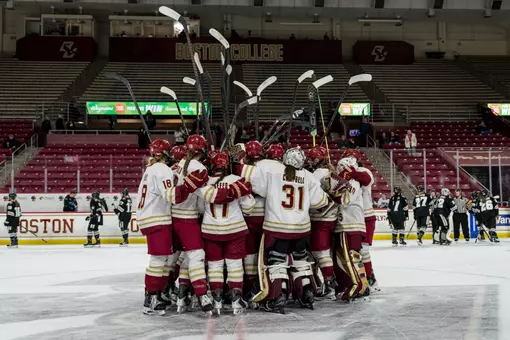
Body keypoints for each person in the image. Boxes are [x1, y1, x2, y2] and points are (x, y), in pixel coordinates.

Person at [241, 147, 329, 313]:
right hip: (302, 229)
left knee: (277, 263)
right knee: (301, 262)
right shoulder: (309, 177)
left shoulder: (272, 170)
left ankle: (278, 294)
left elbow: (248, 177)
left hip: (277, 228)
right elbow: (320, 203)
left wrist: (239, 160)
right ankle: (307, 292)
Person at [136, 139, 208, 316]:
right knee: (159, 260)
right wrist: (190, 184)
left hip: (153, 217)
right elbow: (173, 196)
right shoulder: (162, 170)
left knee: (166, 260)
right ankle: (152, 296)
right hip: (157, 218)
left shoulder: (152, 169)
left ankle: (156, 294)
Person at [195, 151, 255, 315]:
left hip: (210, 230)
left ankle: (217, 300)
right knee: (234, 265)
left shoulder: (204, 183)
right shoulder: (236, 181)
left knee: (215, 266)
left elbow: (200, 209)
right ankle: (236, 299)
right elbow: (249, 206)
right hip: (235, 229)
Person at [332, 157, 370, 301]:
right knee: (354, 256)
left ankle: (357, 285)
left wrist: (332, 193)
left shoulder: (353, 182)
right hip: (355, 224)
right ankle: (362, 284)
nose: (338, 170)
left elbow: (344, 200)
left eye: (340, 167)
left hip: (349, 224)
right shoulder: (356, 180)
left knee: (349, 258)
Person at [308, 146, 337, 298]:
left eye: (312, 158)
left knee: (320, 253)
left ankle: (329, 284)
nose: (309, 161)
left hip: (320, 218)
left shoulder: (318, 173)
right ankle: (327, 282)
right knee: (326, 253)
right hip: (332, 218)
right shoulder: (332, 172)